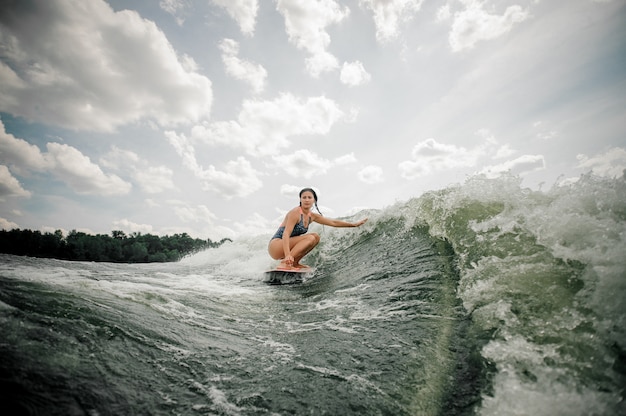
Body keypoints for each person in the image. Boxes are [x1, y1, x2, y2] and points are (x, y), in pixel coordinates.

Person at [268, 188, 368, 270]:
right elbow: (286, 234)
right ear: (300, 200)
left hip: (286, 246)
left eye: (309, 197)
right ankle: (285, 263)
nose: (307, 200)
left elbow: (333, 222)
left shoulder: (312, 216)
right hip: (276, 245)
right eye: (304, 197)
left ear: (314, 200)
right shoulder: (295, 213)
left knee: (315, 237)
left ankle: (295, 263)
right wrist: (288, 255)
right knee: (310, 238)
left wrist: (354, 225)